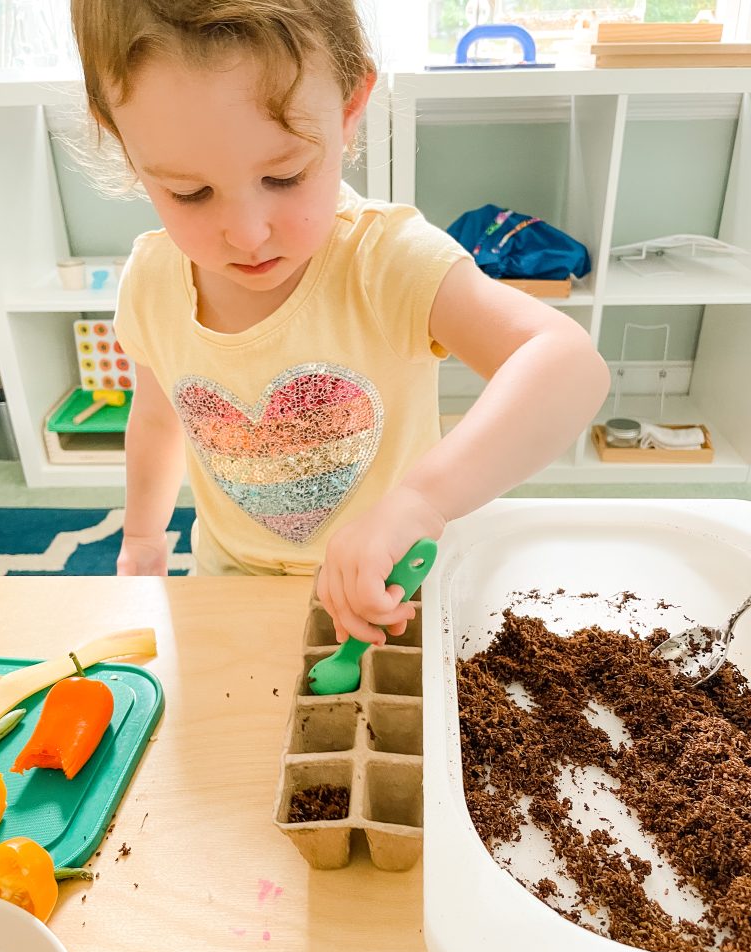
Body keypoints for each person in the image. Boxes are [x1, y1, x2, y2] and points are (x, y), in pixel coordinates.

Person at [70, 0, 610, 646]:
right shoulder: (153, 281)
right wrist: (141, 537)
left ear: (351, 108)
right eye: (190, 192)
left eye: (285, 175)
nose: (245, 233)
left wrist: (421, 503)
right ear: (120, 138)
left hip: (392, 592)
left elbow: (568, 362)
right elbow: (159, 419)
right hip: (230, 586)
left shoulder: (390, 261)